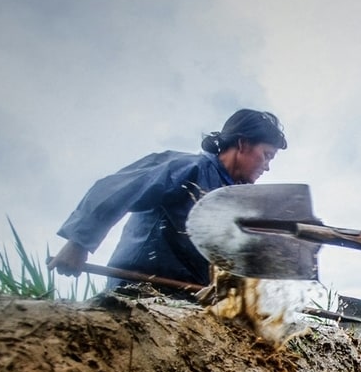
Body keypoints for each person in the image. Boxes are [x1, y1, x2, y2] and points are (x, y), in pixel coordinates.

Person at [48, 109, 288, 296]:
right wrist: (78, 243)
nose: (267, 166)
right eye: (267, 155)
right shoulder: (187, 169)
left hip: (189, 300)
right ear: (242, 144)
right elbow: (116, 188)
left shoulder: (236, 201)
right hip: (138, 289)